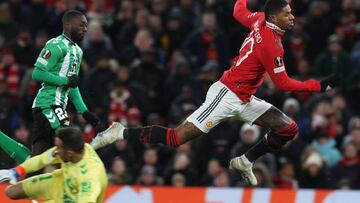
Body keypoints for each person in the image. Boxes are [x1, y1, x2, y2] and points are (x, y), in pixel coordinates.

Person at [91, 0, 339, 186]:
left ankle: (245, 161)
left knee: (288, 128)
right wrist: (317, 86)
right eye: (287, 13)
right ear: (275, 16)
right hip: (226, 95)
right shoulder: (271, 46)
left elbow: (238, 11)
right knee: (177, 138)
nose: (292, 17)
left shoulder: (260, 19)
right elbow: (283, 83)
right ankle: (118, 132)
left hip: (244, 98)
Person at [0, 10, 99, 163]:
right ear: (67, 24)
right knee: (70, 141)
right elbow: (37, 73)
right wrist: (65, 81)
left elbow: (72, 85)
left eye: (86, 26)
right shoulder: (56, 45)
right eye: (81, 25)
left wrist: (84, 112)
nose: (85, 29)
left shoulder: (78, 52)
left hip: (57, 105)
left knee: (35, 162)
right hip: (48, 104)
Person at [0, 127, 108, 203]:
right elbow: (41, 160)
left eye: (58, 147)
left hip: (72, 199)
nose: (55, 151)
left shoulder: (89, 178)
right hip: (58, 181)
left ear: (70, 153)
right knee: (11, 192)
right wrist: (17, 171)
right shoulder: (73, 149)